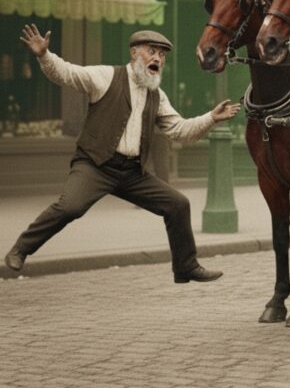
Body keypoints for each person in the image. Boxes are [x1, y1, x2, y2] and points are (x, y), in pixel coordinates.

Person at [4, 25, 241, 282]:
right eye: (152, 52)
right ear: (134, 53)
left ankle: (185, 266)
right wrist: (44, 56)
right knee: (70, 207)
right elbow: (68, 74)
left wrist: (211, 118)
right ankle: (21, 249)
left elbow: (180, 130)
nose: (157, 59)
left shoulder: (157, 97)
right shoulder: (106, 77)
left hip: (132, 173)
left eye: (162, 55)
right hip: (95, 165)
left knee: (178, 204)